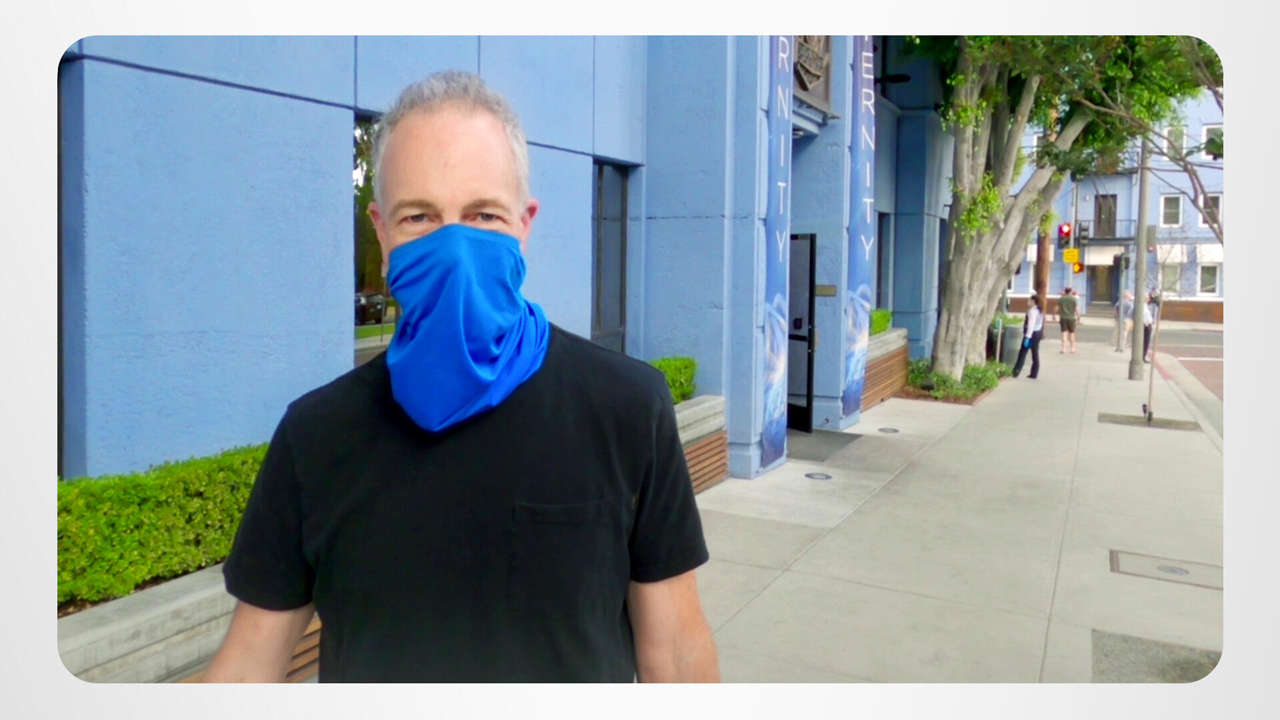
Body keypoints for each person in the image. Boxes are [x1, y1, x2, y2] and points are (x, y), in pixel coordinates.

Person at [202, 71, 718, 683]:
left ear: (524, 223)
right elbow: (246, 669)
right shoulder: (315, 434)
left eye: (483, 215)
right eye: (420, 217)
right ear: (381, 232)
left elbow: (675, 656)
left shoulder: (627, 407)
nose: (453, 246)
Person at [1012, 293, 1044, 378]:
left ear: (1033, 301)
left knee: (1023, 353)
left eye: (1029, 300)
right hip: (1037, 333)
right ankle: (1034, 373)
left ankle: (1016, 371)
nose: (1028, 301)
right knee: (1035, 353)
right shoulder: (1040, 310)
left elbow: (1031, 325)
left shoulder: (1032, 311)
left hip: (1031, 335)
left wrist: (1027, 337)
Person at [1058, 287, 1079, 354]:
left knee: (1064, 333)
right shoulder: (1074, 299)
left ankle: (1063, 349)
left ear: (1065, 291)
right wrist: (1078, 317)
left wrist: (1053, 315)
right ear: (1070, 291)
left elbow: (1057, 308)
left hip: (1063, 318)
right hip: (1071, 318)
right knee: (1071, 333)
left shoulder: (1061, 299)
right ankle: (1072, 349)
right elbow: (1076, 309)